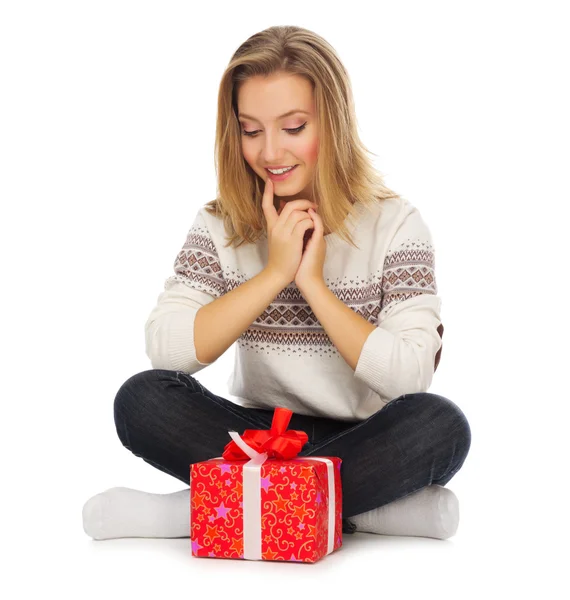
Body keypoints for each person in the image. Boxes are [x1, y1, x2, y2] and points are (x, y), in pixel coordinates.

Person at [82, 25, 471, 543]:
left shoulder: (396, 224)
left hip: (359, 437)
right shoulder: (220, 225)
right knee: (142, 399)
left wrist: (313, 286)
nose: (270, 152)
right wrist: (273, 274)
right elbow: (168, 351)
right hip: (255, 436)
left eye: (293, 127)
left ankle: (203, 510)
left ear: (332, 124)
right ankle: (360, 509)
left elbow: (408, 377)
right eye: (250, 130)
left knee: (438, 424)